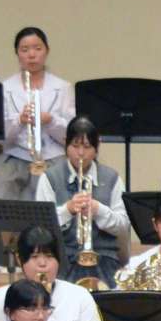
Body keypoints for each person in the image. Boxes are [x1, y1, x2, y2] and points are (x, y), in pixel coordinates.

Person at [38, 115, 127, 288]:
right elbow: (41, 226)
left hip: (104, 257)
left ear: (97, 147)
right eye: (75, 146)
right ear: (65, 144)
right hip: (63, 259)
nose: (80, 153)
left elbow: (123, 225)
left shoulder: (112, 178)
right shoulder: (49, 178)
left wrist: (99, 210)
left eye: (87, 147)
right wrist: (67, 210)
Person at [0, 25, 72, 199]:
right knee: (1, 184)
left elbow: (71, 134)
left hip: (53, 155)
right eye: (25, 50)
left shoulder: (62, 87)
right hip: (16, 154)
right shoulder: (5, 88)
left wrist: (50, 120)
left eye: (37, 48)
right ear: (17, 54)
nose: (31, 55)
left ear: (47, 51)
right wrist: (19, 120)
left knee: (63, 188)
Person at [0, 226, 103, 321]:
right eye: (34, 257)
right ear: (19, 259)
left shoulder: (80, 296)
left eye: (49, 256)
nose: (43, 264)